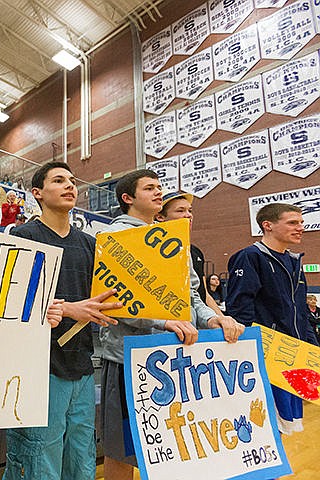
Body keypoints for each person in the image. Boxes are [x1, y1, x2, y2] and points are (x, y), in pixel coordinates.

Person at [100, 170, 243, 480]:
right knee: (122, 448)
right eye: (149, 188)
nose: (158, 192)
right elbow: (114, 303)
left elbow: (192, 295)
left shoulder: (176, 239)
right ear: (128, 198)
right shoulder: (112, 238)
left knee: (173, 442)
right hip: (129, 360)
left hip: (178, 358)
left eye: (159, 187)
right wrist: (163, 321)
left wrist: (212, 317)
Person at [3, 162, 121, 480]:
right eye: (59, 180)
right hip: (39, 367)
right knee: (40, 453)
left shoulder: (90, 244)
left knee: (82, 455)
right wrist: (70, 309)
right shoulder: (23, 236)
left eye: (71, 180)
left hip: (81, 365)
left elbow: (103, 300)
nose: (70, 185)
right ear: (37, 193)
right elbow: (12, 303)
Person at [226, 203, 319, 435]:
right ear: (267, 225)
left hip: (294, 354)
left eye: (301, 223)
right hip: (267, 357)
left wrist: (313, 350)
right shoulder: (249, 257)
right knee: (264, 426)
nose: (300, 228)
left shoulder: (294, 261)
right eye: (292, 222)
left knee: (285, 428)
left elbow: (301, 312)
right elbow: (239, 310)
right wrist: (250, 353)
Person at [154, 191, 223, 315]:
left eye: (190, 211)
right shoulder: (154, 249)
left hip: (199, 319)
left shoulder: (195, 251)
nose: (188, 215)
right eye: (180, 211)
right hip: (171, 324)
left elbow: (203, 293)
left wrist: (221, 318)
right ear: (160, 217)